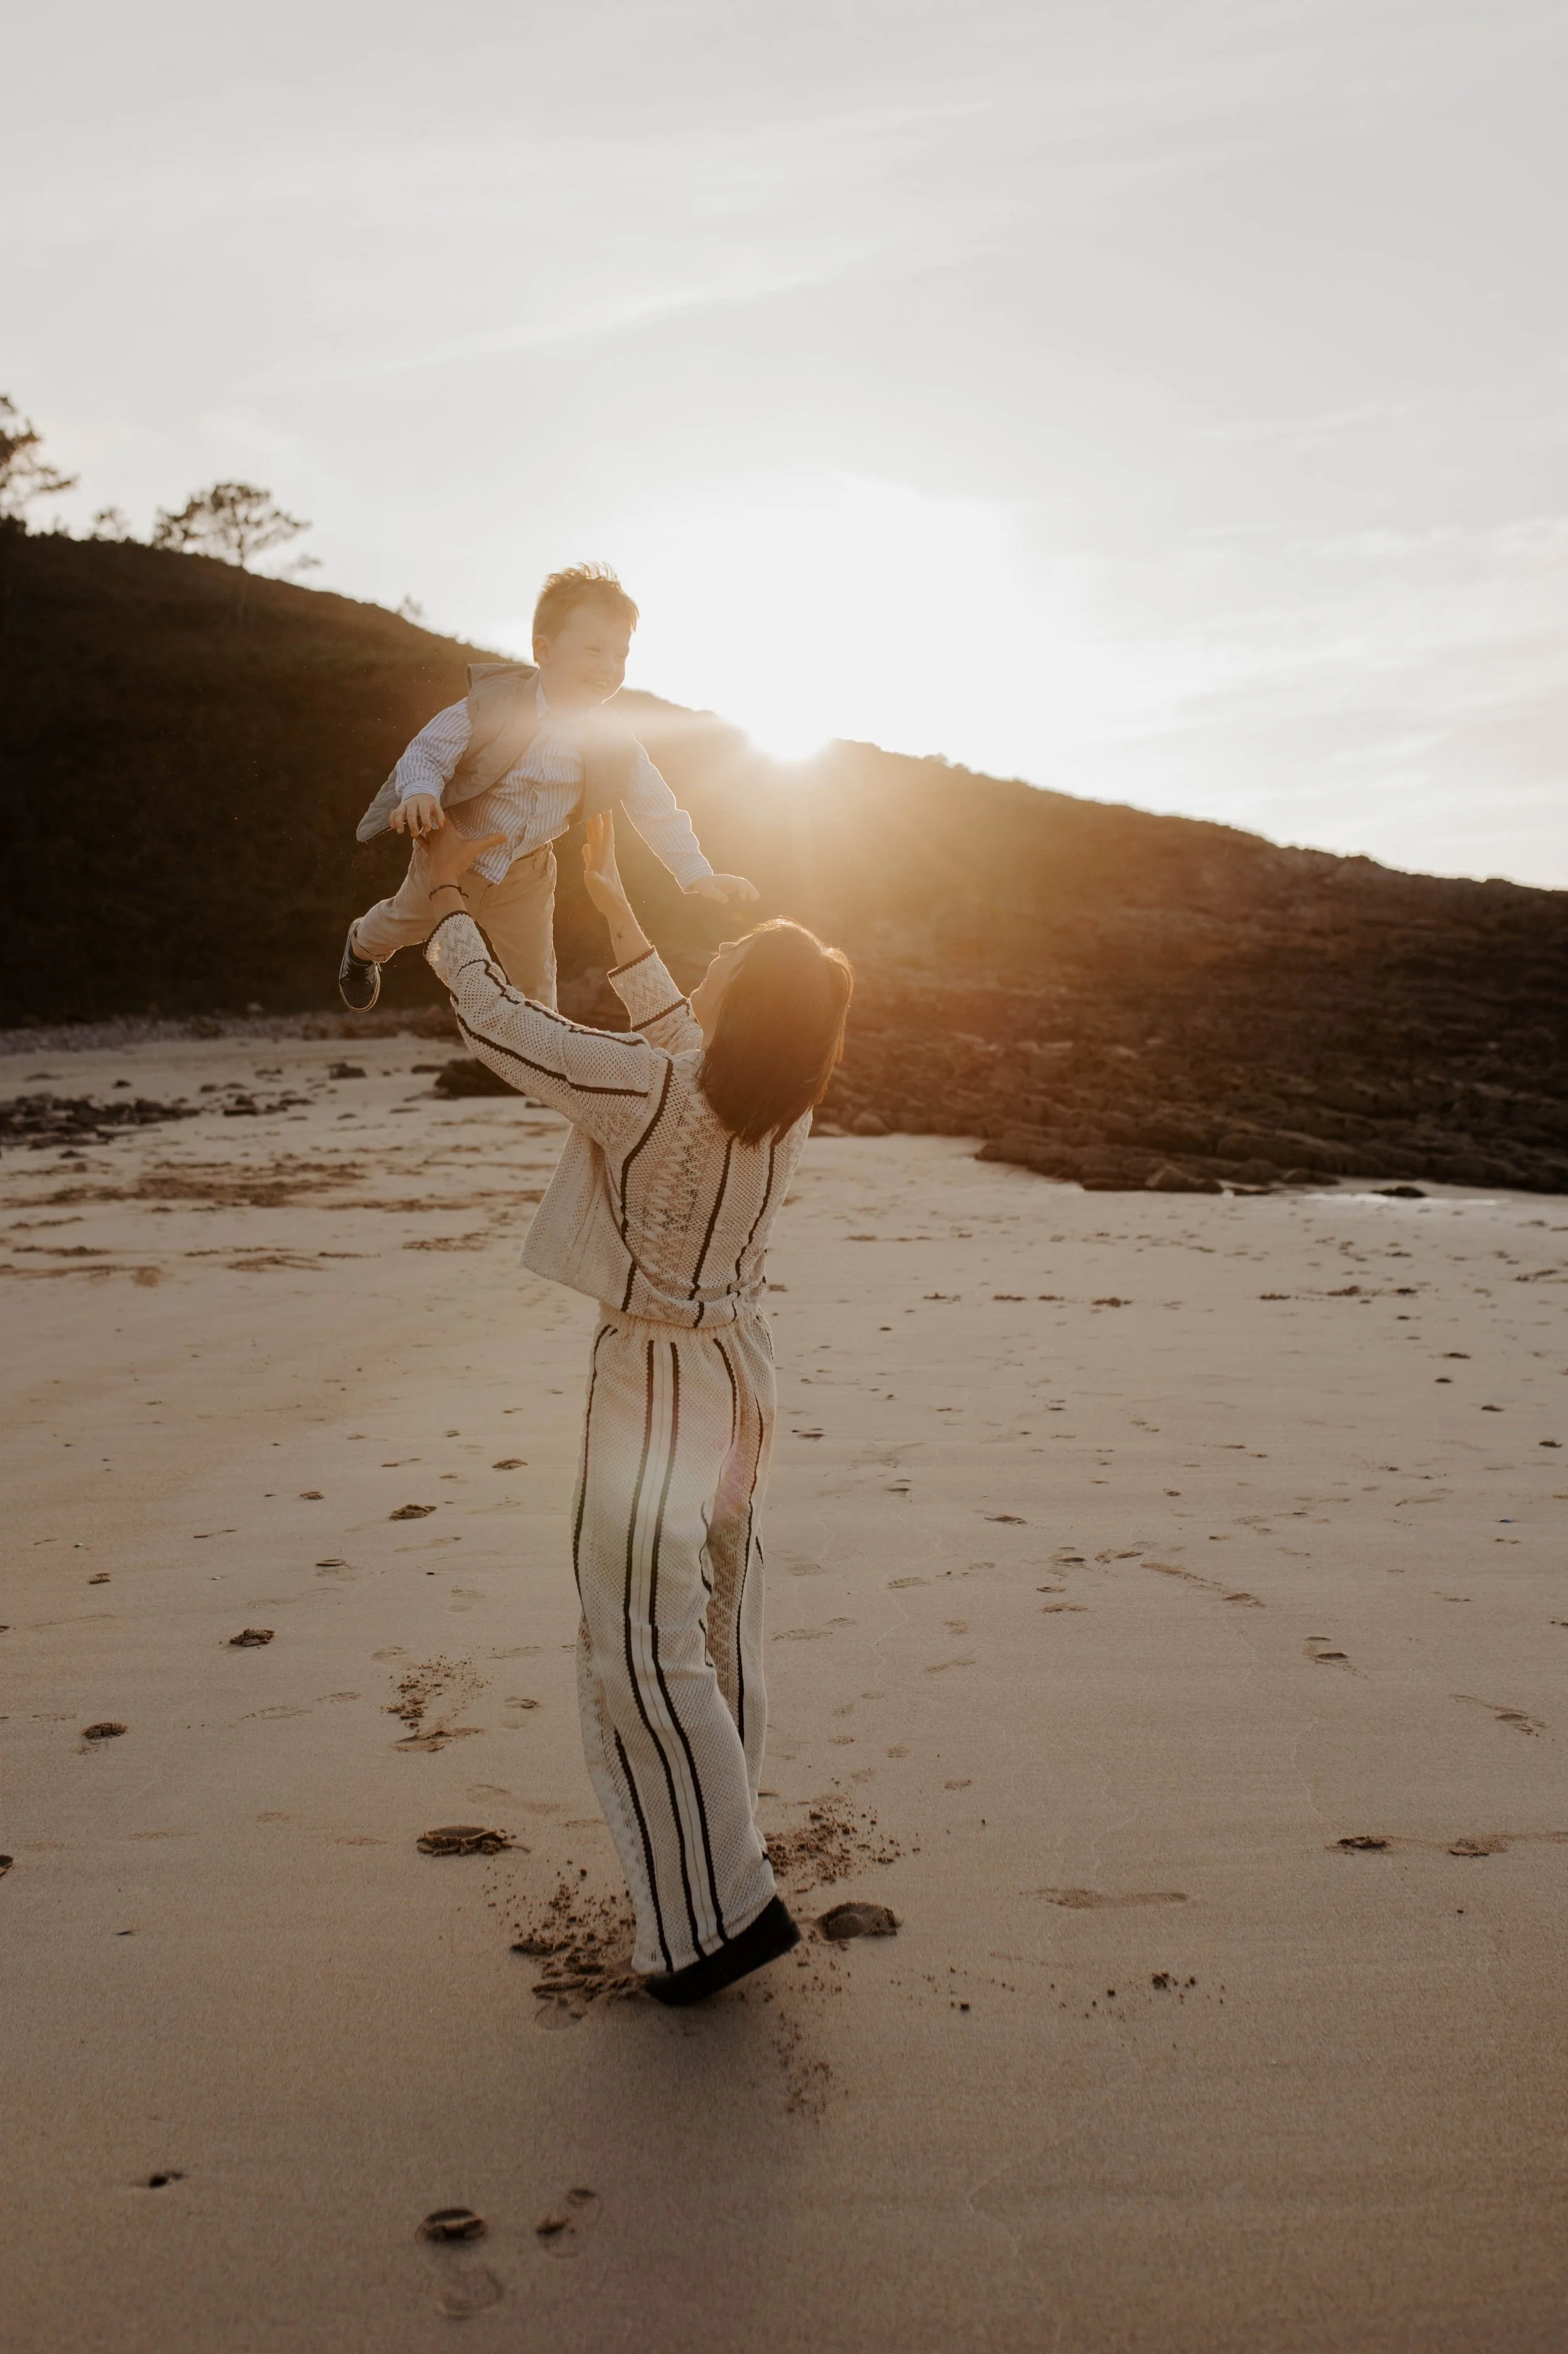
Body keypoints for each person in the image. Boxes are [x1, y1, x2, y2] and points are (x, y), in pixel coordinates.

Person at [413, 807, 852, 2004]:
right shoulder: (775, 1102)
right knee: (721, 1624)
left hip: (657, 1386)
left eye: (725, 958)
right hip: (740, 1380)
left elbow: (508, 1030)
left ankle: (721, 1908)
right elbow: (678, 1028)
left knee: (641, 1649)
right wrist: (611, 905)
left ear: (742, 1001)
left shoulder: (654, 1095)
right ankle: (723, 1869)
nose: (703, 966)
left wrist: (446, 905)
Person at [339, 564, 757, 1011]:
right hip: (450, 858)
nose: (609, 667)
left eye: (620, 655)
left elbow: (655, 806)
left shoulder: (614, 740)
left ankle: (544, 1064)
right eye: (595, 650)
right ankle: (361, 947)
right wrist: (420, 792)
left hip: (526, 877)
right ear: (544, 649)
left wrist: (696, 872)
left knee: (537, 984)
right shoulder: (495, 706)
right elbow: (428, 751)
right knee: (401, 925)